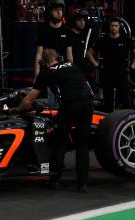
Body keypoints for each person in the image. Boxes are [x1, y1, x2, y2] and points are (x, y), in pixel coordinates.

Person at [11, 49, 94, 193]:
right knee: (82, 143)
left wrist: (17, 109)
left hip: (70, 105)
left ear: (44, 62)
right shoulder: (73, 66)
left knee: (59, 141)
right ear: (58, 58)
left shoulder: (46, 73)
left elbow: (29, 99)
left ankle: (54, 180)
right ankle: (83, 184)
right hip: (88, 103)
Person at [86, 16, 135, 112]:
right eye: (112, 25)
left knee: (126, 100)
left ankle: (129, 121)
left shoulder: (126, 39)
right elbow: (88, 54)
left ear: (119, 26)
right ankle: (109, 123)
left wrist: (131, 68)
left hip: (122, 73)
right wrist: (97, 65)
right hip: (107, 73)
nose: (114, 28)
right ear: (109, 26)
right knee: (108, 101)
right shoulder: (103, 40)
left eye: (116, 26)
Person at [34, 0, 73, 79]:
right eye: (56, 10)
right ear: (50, 12)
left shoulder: (67, 31)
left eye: (60, 10)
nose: (59, 13)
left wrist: (71, 74)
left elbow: (70, 57)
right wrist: (36, 76)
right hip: (47, 71)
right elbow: (38, 55)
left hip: (63, 72)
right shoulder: (43, 30)